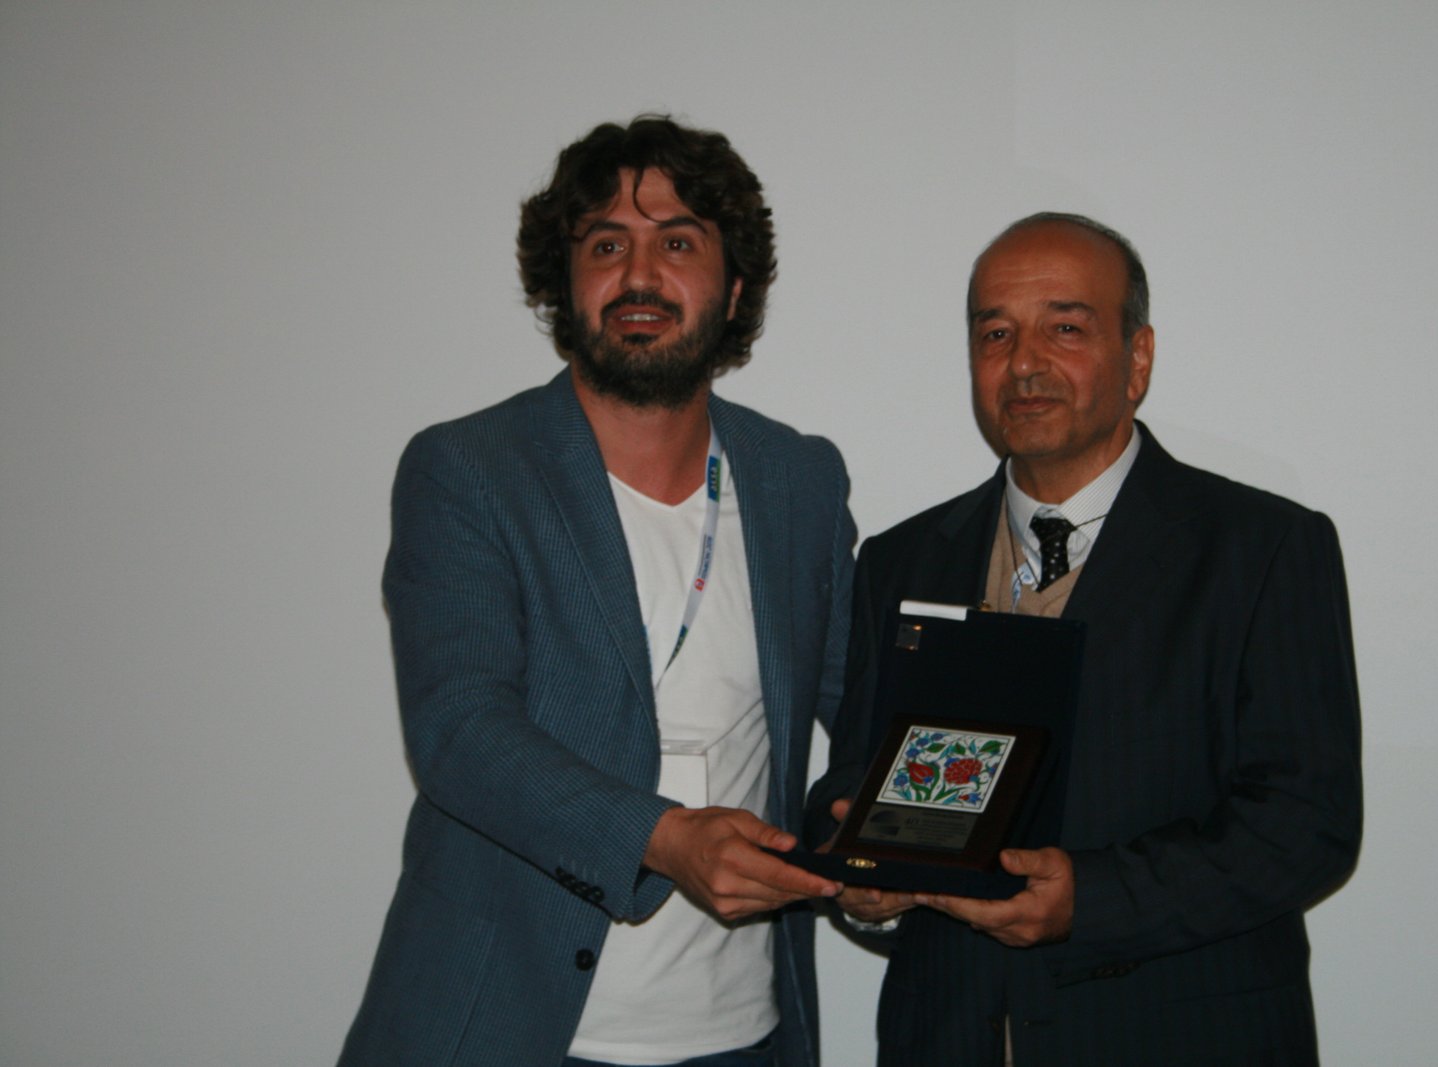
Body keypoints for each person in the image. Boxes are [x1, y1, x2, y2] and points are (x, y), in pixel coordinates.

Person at [340, 116, 853, 1067]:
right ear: (565, 281)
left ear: (735, 289)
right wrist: (664, 839)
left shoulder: (800, 481)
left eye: (679, 243)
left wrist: (883, 842)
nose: (639, 275)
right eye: (607, 245)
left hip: (744, 1036)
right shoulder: (469, 471)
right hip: (510, 1029)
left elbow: (861, 710)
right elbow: (459, 731)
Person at [806, 213, 1361, 1065]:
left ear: (1137, 358)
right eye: (996, 333)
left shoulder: (1264, 548)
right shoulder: (900, 559)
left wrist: (1091, 899)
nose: (1024, 363)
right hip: (947, 1036)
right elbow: (853, 781)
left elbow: (1305, 821)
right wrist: (857, 870)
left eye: (1065, 328)